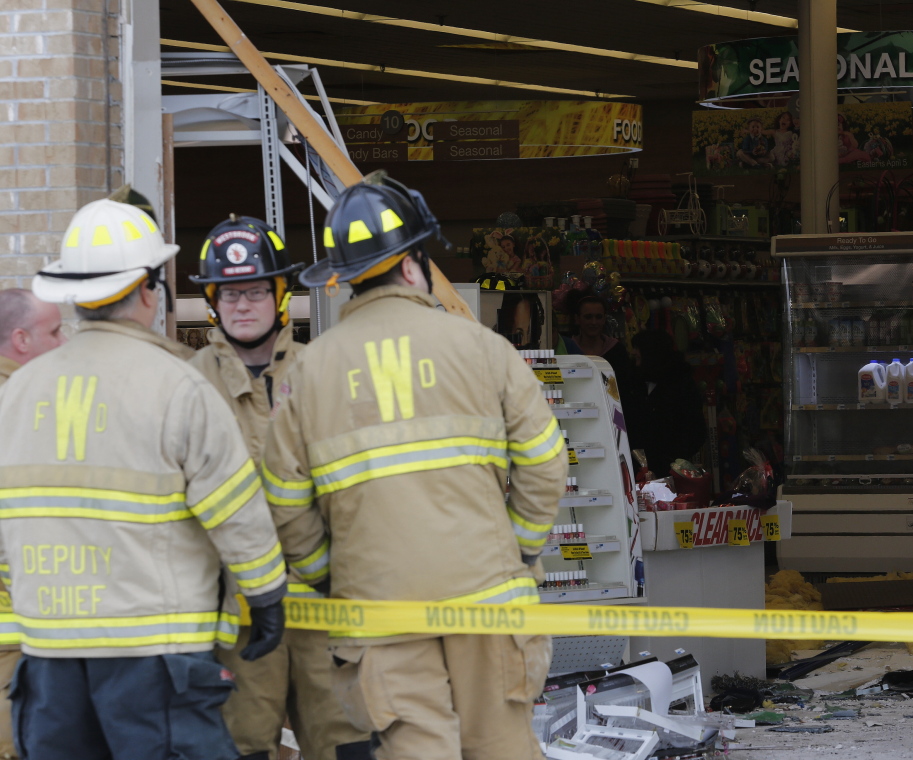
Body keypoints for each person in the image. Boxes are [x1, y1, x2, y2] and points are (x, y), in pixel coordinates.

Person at [262, 175, 567, 760]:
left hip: (379, 612)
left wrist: (331, 575)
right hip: (489, 604)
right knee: (501, 749)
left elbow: (284, 499)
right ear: (411, 265)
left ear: (346, 278)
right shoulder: (481, 347)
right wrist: (519, 549)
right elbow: (545, 460)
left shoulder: (309, 371)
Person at [0, 198, 287, 759]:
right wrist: (267, 595)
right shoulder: (177, 386)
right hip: (155, 659)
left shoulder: (17, 395)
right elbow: (234, 511)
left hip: (49, 657)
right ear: (150, 290)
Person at [189, 215, 369, 760]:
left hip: (326, 602)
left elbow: (358, 488)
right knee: (242, 744)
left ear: (281, 295)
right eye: (231, 294)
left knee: (344, 740)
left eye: (255, 292)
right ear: (214, 304)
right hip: (238, 611)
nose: (243, 306)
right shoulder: (190, 384)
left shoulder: (325, 373)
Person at [0, 288, 67, 759]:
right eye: (55, 332)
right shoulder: (24, 410)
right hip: (16, 638)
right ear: (21, 340)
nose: (64, 343)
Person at [628, 330, 707, 478]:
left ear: (650, 351)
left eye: (638, 348)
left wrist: (673, 458)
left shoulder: (680, 384)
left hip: (670, 470)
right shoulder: (633, 382)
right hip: (636, 469)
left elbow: (696, 430)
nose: (633, 352)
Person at [571, 294, 631, 382]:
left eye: (598, 317)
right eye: (588, 317)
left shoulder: (617, 351)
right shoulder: (568, 349)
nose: (594, 322)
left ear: (604, 319)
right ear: (577, 319)